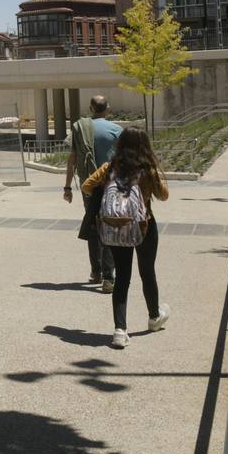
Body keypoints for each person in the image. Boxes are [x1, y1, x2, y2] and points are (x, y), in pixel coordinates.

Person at [81, 127, 170, 349]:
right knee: (147, 272)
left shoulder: (108, 168)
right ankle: (154, 316)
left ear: (120, 145)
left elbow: (86, 186)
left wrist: (110, 198)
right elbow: (164, 195)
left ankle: (120, 330)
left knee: (122, 277)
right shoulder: (148, 169)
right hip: (144, 226)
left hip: (116, 227)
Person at [63, 95, 122, 292]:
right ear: (108, 108)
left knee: (93, 224)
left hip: (89, 186)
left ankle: (95, 271)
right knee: (109, 227)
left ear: (91, 108)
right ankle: (108, 277)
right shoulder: (116, 130)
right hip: (111, 186)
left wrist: (67, 187)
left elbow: (72, 159)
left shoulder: (80, 128)